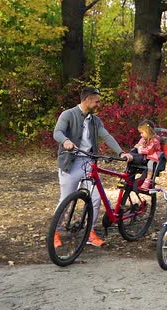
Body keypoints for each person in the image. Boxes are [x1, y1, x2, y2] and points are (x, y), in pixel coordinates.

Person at [53, 87, 127, 247]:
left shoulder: (95, 120)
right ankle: (55, 232)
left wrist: (121, 152)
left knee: (95, 199)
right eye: (97, 101)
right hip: (70, 164)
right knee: (65, 199)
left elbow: (106, 136)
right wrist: (65, 141)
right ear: (87, 99)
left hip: (88, 163)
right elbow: (57, 132)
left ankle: (90, 231)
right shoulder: (68, 115)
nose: (99, 104)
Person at [121, 120, 162, 191]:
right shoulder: (144, 139)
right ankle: (129, 178)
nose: (141, 135)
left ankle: (144, 181)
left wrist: (140, 148)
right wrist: (139, 147)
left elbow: (147, 151)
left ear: (148, 131)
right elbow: (137, 145)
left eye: (142, 133)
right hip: (143, 156)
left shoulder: (155, 141)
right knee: (132, 154)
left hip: (150, 158)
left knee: (134, 156)